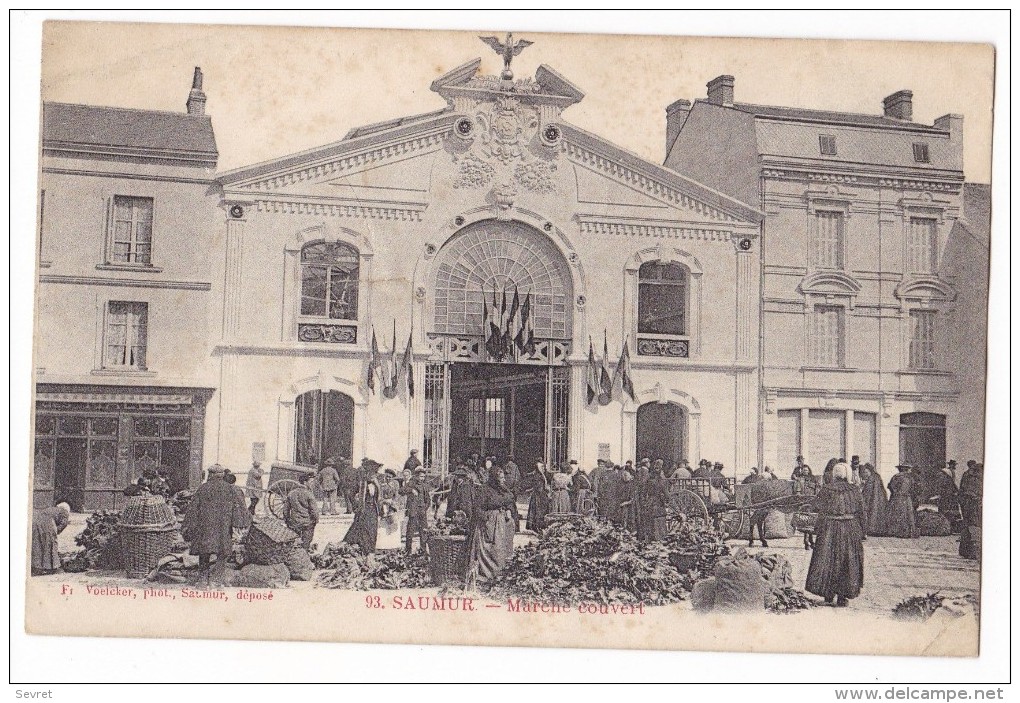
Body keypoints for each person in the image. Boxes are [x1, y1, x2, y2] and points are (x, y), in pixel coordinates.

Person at [805, 462, 865, 607]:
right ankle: (843, 596)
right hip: (850, 529)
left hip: (829, 528)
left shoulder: (826, 489)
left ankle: (828, 593)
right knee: (847, 561)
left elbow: (816, 506)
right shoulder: (855, 490)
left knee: (827, 559)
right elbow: (861, 512)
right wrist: (863, 530)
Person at [182, 465, 251, 584]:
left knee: (204, 553)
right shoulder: (230, 489)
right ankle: (217, 581)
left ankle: (203, 581)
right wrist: (239, 524)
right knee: (222, 553)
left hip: (205, 527)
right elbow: (238, 508)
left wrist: (188, 526)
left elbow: (193, 509)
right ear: (222, 475)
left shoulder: (202, 489)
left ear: (211, 475)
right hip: (223, 527)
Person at [465, 466, 517, 585]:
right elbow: (477, 509)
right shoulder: (484, 490)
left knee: (503, 550)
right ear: (494, 479)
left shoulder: (503, 489)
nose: (504, 480)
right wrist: (488, 518)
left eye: (504, 477)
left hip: (502, 525)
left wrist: (508, 509)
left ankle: (501, 573)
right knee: (493, 550)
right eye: (501, 478)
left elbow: (510, 500)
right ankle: (489, 574)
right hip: (489, 526)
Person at [343, 476, 381, 554]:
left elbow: (379, 497)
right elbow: (351, 494)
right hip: (364, 509)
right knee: (363, 529)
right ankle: (363, 550)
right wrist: (356, 505)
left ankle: (370, 550)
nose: (372, 475)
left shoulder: (376, 483)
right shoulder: (361, 483)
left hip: (373, 509)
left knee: (372, 530)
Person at [31, 502, 71, 576]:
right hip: (48, 524)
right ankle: (52, 567)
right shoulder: (64, 511)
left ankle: (36, 566)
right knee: (51, 544)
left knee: (38, 545)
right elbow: (63, 524)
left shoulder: (51, 509)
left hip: (35, 523)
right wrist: (56, 532)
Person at [284, 472, 319, 550]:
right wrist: (316, 520)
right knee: (306, 542)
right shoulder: (309, 494)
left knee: (294, 543)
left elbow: (285, 510)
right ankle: (304, 554)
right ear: (305, 482)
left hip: (294, 522)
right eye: (311, 482)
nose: (312, 484)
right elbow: (314, 511)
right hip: (307, 523)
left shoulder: (291, 493)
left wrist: (287, 520)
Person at [400, 467, 430, 554]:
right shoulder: (411, 483)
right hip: (413, 511)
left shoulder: (424, 486)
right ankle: (408, 551)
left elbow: (428, 500)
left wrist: (425, 508)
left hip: (422, 511)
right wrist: (411, 490)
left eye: (423, 477)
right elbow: (401, 491)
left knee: (423, 531)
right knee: (410, 531)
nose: (422, 478)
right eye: (421, 476)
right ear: (416, 476)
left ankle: (423, 550)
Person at [884, 464, 918, 538]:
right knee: (907, 514)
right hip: (906, 498)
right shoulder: (910, 478)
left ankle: (893, 531)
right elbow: (913, 488)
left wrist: (895, 492)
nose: (910, 470)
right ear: (906, 469)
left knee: (895, 513)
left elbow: (890, 486)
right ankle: (906, 532)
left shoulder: (895, 477)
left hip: (896, 498)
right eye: (909, 469)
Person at [637, 466, 669, 542]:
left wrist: (645, 502)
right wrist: (666, 501)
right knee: (660, 520)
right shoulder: (661, 482)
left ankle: (650, 538)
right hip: (659, 503)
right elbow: (667, 495)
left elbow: (643, 493)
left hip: (650, 502)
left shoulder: (648, 482)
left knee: (650, 519)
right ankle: (661, 537)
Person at [859, 463, 888, 536]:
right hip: (880, 499)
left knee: (873, 514)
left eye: (866, 472)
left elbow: (867, 493)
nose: (865, 474)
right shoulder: (877, 476)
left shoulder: (871, 479)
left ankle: (872, 530)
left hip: (874, 500)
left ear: (870, 471)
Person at [522, 462, 550, 535]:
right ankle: (537, 526)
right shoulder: (538, 476)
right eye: (542, 467)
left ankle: (539, 526)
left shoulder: (541, 475)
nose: (543, 469)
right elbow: (538, 487)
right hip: (538, 495)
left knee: (539, 510)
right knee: (537, 510)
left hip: (541, 494)